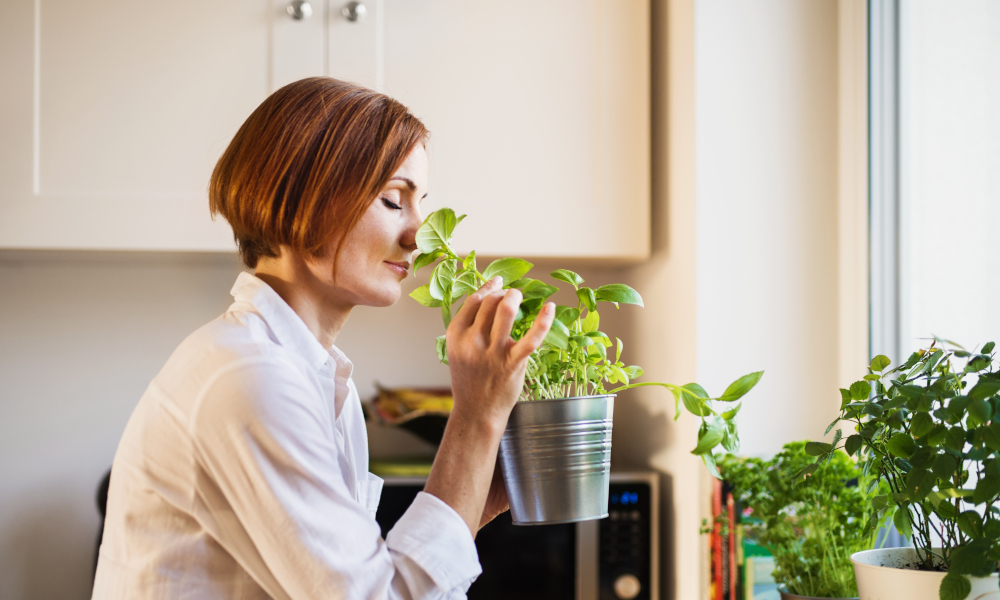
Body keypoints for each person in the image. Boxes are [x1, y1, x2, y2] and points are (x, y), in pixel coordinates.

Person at [92, 77, 555, 599]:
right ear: (300, 198)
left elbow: (375, 580)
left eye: (420, 202)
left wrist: (473, 496)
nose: (419, 233)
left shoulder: (315, 376)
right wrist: (476, 416)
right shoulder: (251, 379)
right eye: (391, 200)